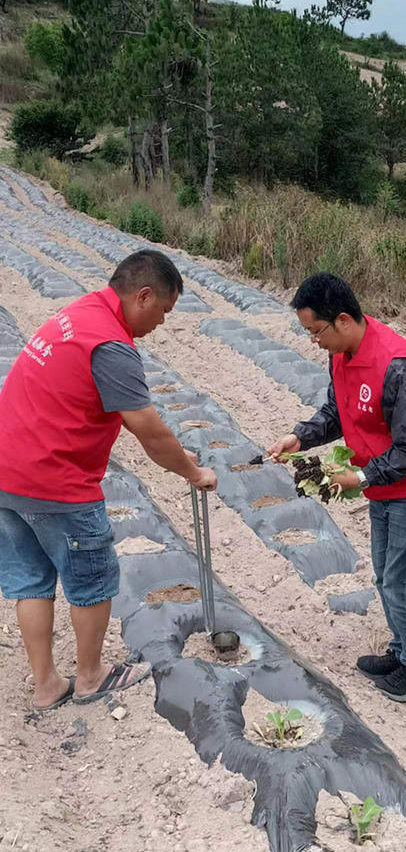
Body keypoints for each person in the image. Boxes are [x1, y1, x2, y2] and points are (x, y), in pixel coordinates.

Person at [0, 249, 217, 711]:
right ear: (143, 296)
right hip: (54, 478)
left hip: (6, 471)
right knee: (91, 581)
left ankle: (46, 685)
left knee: (30, 582)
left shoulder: (78, 314)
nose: (161, 322)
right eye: (163, 310)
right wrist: (194, 472)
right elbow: (150, 433)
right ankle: (91, 677)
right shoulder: (111, 345)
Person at [268, 273, 406, 703]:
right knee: (383, 574)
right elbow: (338, 410)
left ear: (345, 320)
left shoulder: (397, 366)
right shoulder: (341, 354)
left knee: (401, 582)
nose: (314, 341)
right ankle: (402, 649)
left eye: (317, 332)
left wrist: (360, 478)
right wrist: (302, 437)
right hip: (384, 486)